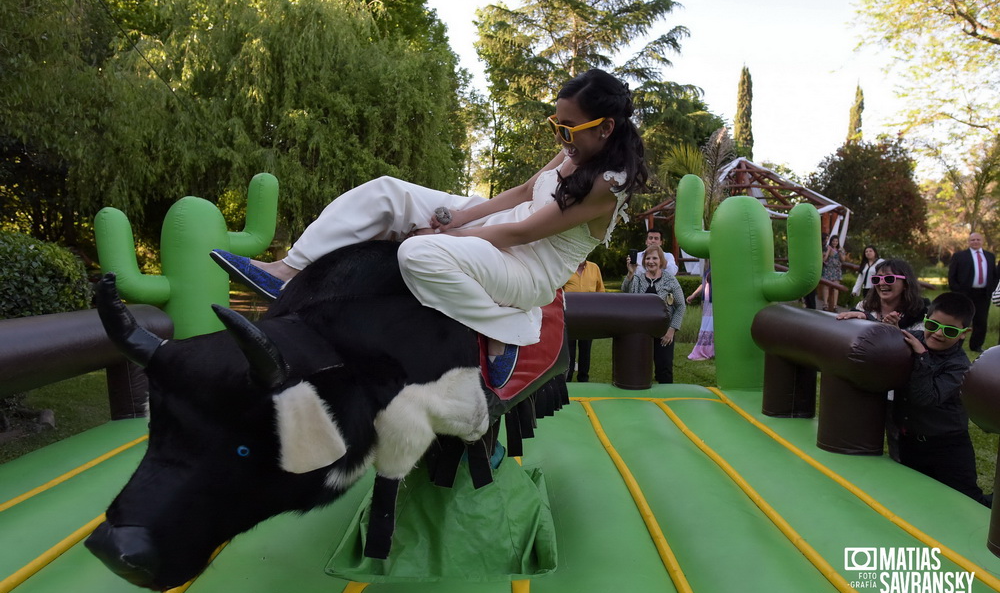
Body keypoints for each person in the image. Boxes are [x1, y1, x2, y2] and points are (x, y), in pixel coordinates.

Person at [211, 69, 648, 388]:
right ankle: (287, 270)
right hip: (503, 227)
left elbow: (523, 234)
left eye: (567, 127)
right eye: (555, 125)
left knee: (416, 254)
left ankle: (507, 326)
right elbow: (523, 192)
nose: (559, 137)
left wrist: (445, 237)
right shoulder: (574, 153)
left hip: (527, 266)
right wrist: (457, 218)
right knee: (388, 192)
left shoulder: (609, 186)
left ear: (605, 128)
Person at [894, 292, 990, 507]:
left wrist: (921, 356)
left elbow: (925, 397)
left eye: (949, 330)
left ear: (964, 333)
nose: (938, 334)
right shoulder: (915, 338)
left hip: (948, 446)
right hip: (911, 441)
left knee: (967, 502)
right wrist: (861, 317)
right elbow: (886, 335)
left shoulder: (959, 366)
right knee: (919, 498)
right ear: (925, 320)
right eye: (933, 324)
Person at [623, 245, 685, 384]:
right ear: (644, 261)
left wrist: (671, 330)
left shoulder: (670, 280)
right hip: (641, 331)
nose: (651, 261)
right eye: (648, 258)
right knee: (639, 368)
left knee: (664, 369)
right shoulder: (638, 278)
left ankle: (666, 399)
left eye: (655, 258)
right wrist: (630, 273)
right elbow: (627, 294)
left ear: (661, 261)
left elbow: (680, 306)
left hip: (664, 332)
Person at [836, 258, 928, 330]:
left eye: (889, 279)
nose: (881, 283)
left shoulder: (918, 314)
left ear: (906, 283)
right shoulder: (863, 307)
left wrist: (895, 331)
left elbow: (920, 346)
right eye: (877, 279)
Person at [948, 232, 997, 353]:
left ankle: (976, 346)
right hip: (965, 293)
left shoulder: (990, 256)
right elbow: (951, 275)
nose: (975, 242)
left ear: (982, 241)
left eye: (978, 239)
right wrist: (957, 290)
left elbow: (994, 276)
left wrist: (992, 289)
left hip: (983, 294)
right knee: (961, 319)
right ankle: (955, 345)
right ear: (968, 242)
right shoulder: (960, 256)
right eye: (972, 240)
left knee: (981, 321)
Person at [562, 259, 605, 382]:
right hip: (569, 316)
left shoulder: (594, 267)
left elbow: (600, 291)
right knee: (569, 349)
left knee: (585, 349)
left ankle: (583, 378)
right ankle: (567, 377)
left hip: (589, 316)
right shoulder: (566, 267)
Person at [686, 263, 713, 361]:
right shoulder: (710, 270)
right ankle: (706, 351)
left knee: (711, 327)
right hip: (708, 304)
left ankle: (708, 351)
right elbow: (704, 284)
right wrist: (693, 295)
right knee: (707, 327)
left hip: (714, 303)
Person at [819, 234, 845, 312]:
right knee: (826, 286)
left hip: (836, 270)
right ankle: (825, 304)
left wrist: (840, 252)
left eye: (836, 241)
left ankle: (835, 305)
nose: (835, 242)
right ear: (831, 241)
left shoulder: (840, 249)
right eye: (833, 241)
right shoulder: (827, 248)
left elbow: (843, 260)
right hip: (828, 269)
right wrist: (828, 251)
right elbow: (824, 259)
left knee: (836, 287)